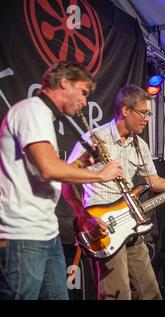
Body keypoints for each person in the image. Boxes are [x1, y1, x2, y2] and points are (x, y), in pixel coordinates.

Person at [63, 84, 165, 300]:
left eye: (149, 113)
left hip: (132, 228)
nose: (147, 118)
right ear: (125, 111)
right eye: (144, 113)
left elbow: (153, 181)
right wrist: (83, 217)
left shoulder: (141, 145)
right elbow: (67, 179)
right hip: (104, 230)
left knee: (150, 293)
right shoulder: (95, 139)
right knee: (118, 294)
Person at [0, 62, 123, 300]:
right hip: (21, 233)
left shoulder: (43, 116)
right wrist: (101, 174)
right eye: (84, 92)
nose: (85, 102)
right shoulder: (33, 110)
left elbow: (44, 171)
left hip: (45, 233)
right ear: (65, 83)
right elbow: (48, 169)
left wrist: (82, 164)